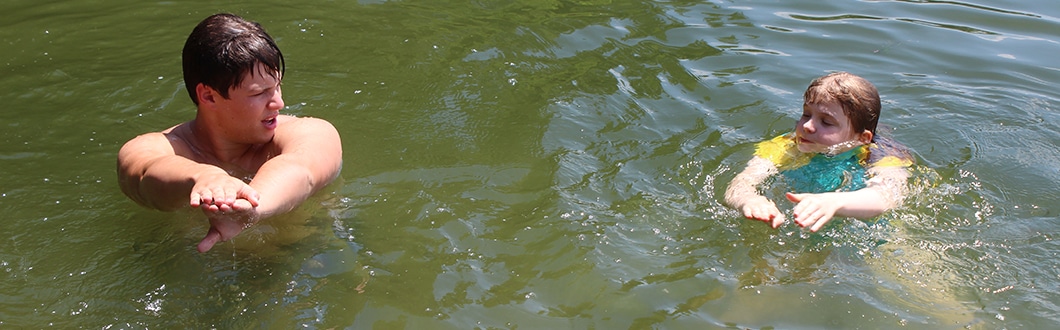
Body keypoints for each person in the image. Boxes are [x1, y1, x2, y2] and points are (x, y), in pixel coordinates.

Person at [117, 13, 342, 253]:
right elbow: (142, 175)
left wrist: (252, 208)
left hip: (307, 252)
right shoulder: (156, 147)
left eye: (277, 86)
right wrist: (204, 177)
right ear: (208, 96)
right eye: (259, 93)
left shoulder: (312, 132)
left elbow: (301, 170)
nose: (279, 103)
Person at [724, 72, 912, 232]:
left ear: (861, 138)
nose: (807, 126)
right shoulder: (785, 146)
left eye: (826, 122)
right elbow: (742, 182)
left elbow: (887, 197)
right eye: (806, 114)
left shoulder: (884, 155)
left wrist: (835, 202)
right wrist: (749, 200)